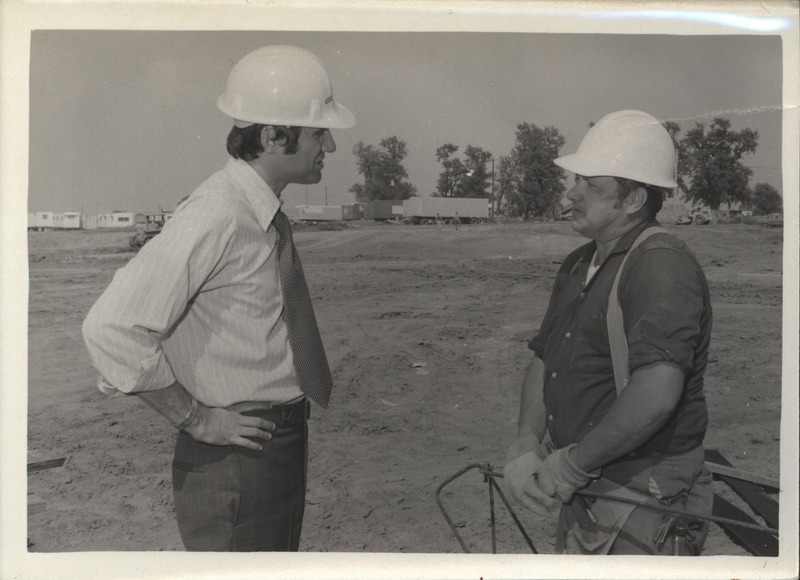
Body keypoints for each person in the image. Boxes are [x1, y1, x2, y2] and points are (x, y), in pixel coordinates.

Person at [82, 45, 354, 551]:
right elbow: (111, 327)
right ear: (274, 135)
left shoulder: (255, 212)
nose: (330, 147)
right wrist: (196, 418)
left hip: (271, 443)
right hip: (236, 454)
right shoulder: (218, 213)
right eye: (319, 132)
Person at [503, 110, 713, 555]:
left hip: (644, 493)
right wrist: (526, 442)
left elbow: (656, 395)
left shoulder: (660, 265)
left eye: (591, 185)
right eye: (576, 179)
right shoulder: (579, 262)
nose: (571, 194)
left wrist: (572, 466)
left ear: (634, 199)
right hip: (593, 484)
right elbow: (546, 360)